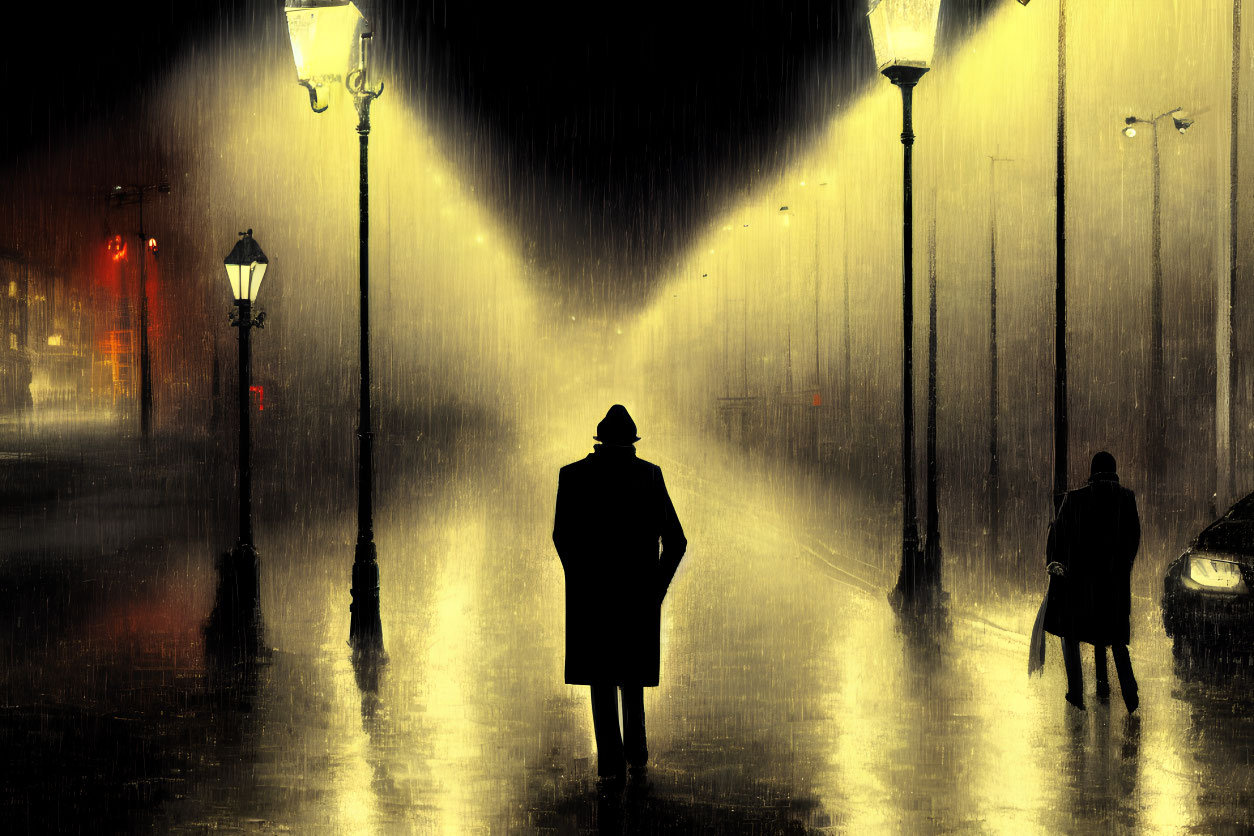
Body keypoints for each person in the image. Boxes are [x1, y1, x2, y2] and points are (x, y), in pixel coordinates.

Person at [552, 404, 687, 783]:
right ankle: (637, 754)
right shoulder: (649, 478)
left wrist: (584, 581)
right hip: (636, 600)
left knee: (601, 679)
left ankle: (610, 763)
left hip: (593, 602)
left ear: (600, 442)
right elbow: (676, 542)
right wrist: (654, 590)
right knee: (631, 677)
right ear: (631, 442)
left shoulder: (574, 478)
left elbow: (563, 537)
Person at [1044, 451, 1140, 713]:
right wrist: (1119, 568)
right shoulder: (1126, 499)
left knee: (1072, 635)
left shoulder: (1075, 500)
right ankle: (1130, 696)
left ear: (1092, 471)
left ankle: (1076, 695)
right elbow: (1133, 540)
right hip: (1114, 588)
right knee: (1116, 641)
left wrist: (1061, 565)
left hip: (1081, 588)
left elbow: (1058, 536)